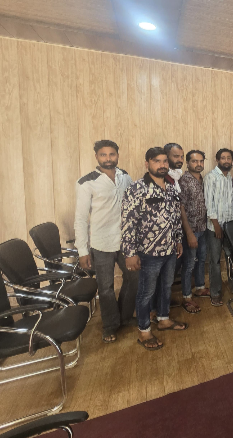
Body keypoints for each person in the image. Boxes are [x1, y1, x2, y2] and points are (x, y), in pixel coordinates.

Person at [122, 147, 187, 351]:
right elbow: (128, 223)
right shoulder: (137, 188)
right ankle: (144, 330)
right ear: (147, 163)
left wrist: (178, 240)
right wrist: (130, 253)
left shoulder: (171, 187)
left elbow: (175, 217)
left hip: (170, 249)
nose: (162, 165)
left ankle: (164, 319)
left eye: (165, 161)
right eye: (157, 161)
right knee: (146, 292)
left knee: (166, 286)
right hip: (149, 252)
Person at [74, 140, 137, 344]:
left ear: (117, 155)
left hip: (125, 241)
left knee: (134, 278)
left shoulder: (125, 176)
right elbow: (81, 219)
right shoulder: (86, 182)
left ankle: (124, 317)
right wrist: (82, 251)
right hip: (101, 243)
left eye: (112, 154)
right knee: (106, 287)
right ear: (97, 157)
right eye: (103, 155)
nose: (108, 159)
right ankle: (110, 325)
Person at [204, 148, 233, 307]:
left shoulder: (228, 177)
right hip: (215, 228)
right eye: (223, 158)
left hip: (229, 226)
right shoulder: (210, 177)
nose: (226, 161)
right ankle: (215, 293)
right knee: (215, 261)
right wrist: (216, 225)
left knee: (231, 257)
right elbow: (208, 203)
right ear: (217, 160)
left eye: (229, 158)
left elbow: (231, 201)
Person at [178, 150, 209, 314]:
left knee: (201, 259)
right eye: (195, 161)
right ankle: (187, 296)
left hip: (203, 227)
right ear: (188, 163)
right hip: (190, 230)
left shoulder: (203, 179)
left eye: (201, 161)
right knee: (189, 264)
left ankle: (200, 287)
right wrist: (189, 233)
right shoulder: (184, 181)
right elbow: (180, 207)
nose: (198, 164)